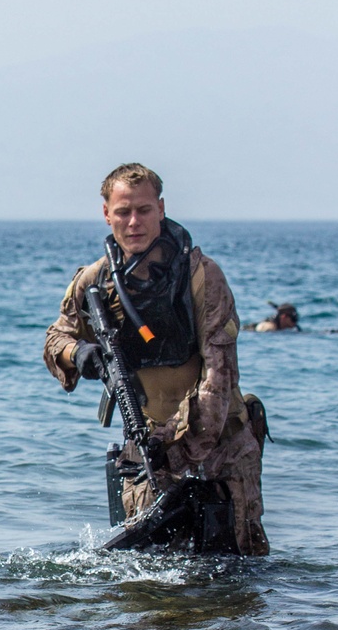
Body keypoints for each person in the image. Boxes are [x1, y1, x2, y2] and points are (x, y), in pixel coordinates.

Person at [43, 162, 268, 556]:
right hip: (146, 449)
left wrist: (173, 446)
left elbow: (218, 380)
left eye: (144, 210)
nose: (134, 222)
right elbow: (55, 337)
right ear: (106, 213)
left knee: (232, 584)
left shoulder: (201, 276)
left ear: (161, 209)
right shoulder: (96, 281)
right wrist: (79, 353)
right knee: (145, 591)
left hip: (217, 450)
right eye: (123, 211)